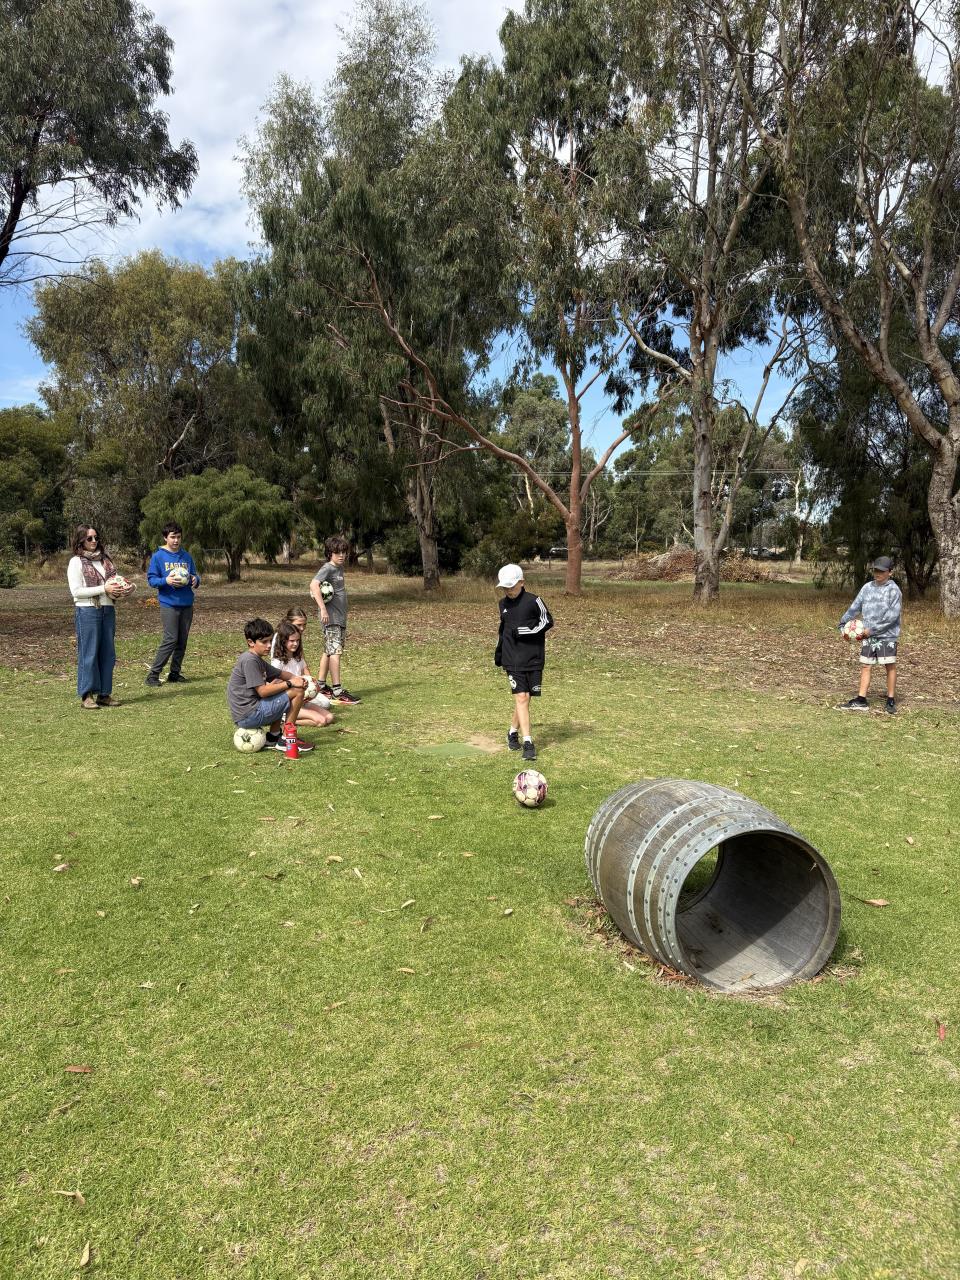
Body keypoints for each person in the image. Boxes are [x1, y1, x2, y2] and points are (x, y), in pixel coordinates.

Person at [494, 563, 554, 760]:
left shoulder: (534, 601)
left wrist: (525, 631)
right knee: (521, 697)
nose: (508, 590)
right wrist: (499, 653)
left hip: (533, 658)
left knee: (525, 699)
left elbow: (547, 621)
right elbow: (503, 630)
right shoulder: (502, 604)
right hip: (511, 659)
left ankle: (512, 731)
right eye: (505, 587)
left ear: (522, 582)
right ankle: (528, 742)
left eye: (511, 586)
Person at [226, 618, 314, 753]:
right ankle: (286, 739)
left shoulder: (257, 659)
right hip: (249, 715)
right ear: (250, 642)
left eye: (270, 641)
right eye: (264, 642)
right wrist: (291, 683)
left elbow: (281, 674)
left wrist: (299, 679)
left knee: (280, 687)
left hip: (249, 712)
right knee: (297, 691)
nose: (268, 645)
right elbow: (263, 692)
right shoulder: (249, 661)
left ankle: (273, 737)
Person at [67, 524, 126, 709]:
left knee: (108, 653)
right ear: (81, 541)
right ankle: (87, 695)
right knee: (89, 653)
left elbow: (114, 583)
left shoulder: (106, 560)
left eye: (96, 537)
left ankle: (104, 694)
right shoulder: (76, 562)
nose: (94, 541)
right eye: (89, 538)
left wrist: (125, 589)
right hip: (88, 610)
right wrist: (104, 588)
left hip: (108, 609)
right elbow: (76, 592)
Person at [837, 555, 902, 714]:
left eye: (882, 571)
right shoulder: (867, 587)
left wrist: (871, 630)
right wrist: (843, 624)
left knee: (889, 665)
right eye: (875, 570)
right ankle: (861, 699)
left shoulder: (894, 590)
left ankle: (890, 700)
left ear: (890, 572)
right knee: (866, 665)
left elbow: (892, 617)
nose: (878, 573)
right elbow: (855, 607)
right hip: (868, 636)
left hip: (887, 635)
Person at [145, 521, 201, 687]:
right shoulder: (158, 557)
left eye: (178, 537)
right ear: (165, 538)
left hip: (186, 603)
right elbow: (152, 580)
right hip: (169, 604)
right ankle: (153, 675)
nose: (176, 540)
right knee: (171, 639)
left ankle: (174, 673)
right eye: (172, 537)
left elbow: (195, 576)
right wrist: (166, 580)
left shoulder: (186, 556)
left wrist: (195, 580)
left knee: (182, 640)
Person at [309, 535, 360, 705]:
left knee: (329, 651)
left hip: (339, 617)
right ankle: (337, 691)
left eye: (344, 552)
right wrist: (323, 609)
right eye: (338, 552)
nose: (342, 555)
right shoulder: (328, 568)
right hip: (331, 619)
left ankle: (322, 686)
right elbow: (313, 585)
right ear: (330, 553)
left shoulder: (339, 569)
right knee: (335, 652)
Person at [270, 618, 334, 729]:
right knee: (321, 721)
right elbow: (272, 686)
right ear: (283, 641)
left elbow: (306, 675)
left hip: (302, 700)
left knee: (330, 717)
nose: (295, 644)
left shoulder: (298, 658)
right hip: (289, 703)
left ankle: (290, 718)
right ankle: (285, 719)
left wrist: (313, 684)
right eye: (292, 641)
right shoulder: (278, 662)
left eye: (298, 640)